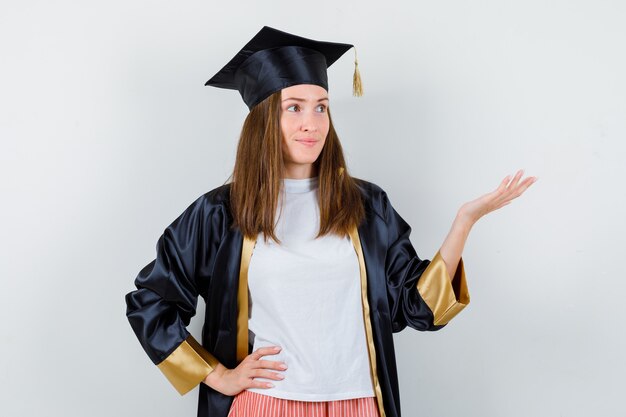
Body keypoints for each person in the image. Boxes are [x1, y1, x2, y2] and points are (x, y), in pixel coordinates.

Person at [125, 26, 536, 417]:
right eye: (294, 108)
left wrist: (464, 222)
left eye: (321, 107)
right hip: (268, 403)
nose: (312, 122)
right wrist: (219, 376)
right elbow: (151, 301)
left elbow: (419, 309)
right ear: (264, 120)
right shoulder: (222, 212)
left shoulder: (366, 206)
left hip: (358, 400)